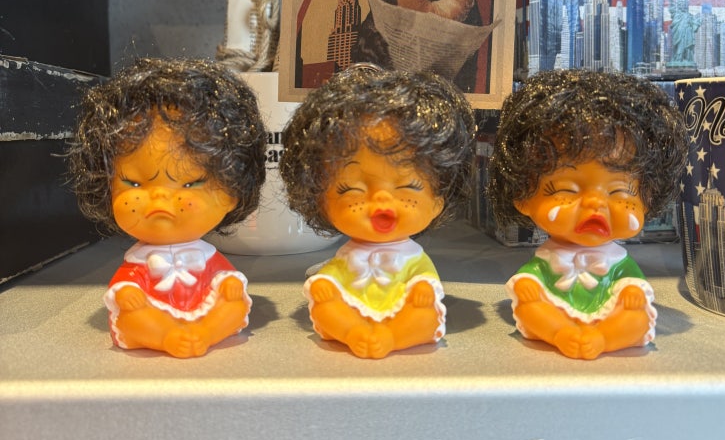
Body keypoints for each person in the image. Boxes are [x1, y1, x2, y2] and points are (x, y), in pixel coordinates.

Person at [68, 57, 266, 357]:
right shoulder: (139, 264)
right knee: (132, 315)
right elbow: (126, 288)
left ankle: (205, 332)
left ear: (232, 193)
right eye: (133, 183)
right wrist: (130, 294)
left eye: (190, 183)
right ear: (104, 185)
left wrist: (228, 287)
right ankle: (165, 336)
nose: (160, 198)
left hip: (204, 311)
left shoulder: (208, 259)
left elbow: (226, 283)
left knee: (233, 303)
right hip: (154, 315)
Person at [487, 69, 687, 360]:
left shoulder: (619, 265)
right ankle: (560, 332)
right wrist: (529, 285)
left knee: (637, 317)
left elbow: (631, 283)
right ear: (523, 195)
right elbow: (530, 280)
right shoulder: (547, 262)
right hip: (556, 309)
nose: (596, 204)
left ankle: (605, 337)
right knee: (531, 308)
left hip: (610, 312)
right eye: (566, 189)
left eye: (619, 191)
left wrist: (632, 293)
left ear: (649, 196)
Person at [279, 65, 475, 358]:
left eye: (408, 186)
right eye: (350, 188)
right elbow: (332, 277)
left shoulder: (413, 259)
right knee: (325, 306)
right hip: (353, 308)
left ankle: (394, 336)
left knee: (424, 314)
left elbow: (424, 277)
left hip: (402, 309)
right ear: (319, 199)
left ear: (438, 200)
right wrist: (326, 286)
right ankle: (352, 332)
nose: (381, 201)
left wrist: (423, 290)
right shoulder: (345, 259)